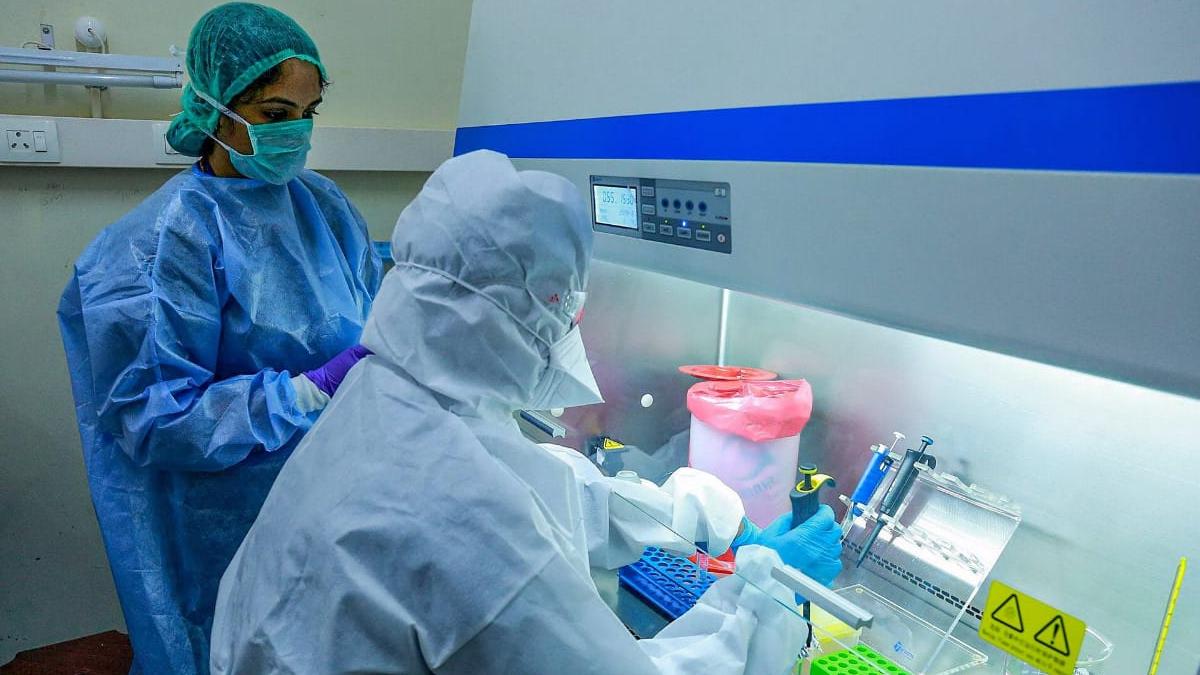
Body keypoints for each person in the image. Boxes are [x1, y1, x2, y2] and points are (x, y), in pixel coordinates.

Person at [210, 150, 842, 674]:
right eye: (565, 313)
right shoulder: (477, 530)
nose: (571, 332)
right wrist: (769, 601)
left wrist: (706, 517)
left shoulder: (384, 396)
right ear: (516, 322)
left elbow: (540, 484)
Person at [56, 4, 380, 673]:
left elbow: (375, 300)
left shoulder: (323, 207)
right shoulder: (157, 245)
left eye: (308, 113)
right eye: (275, 113)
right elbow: (155, 417)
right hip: (224, 526)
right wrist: (308, 390)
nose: (296, 133)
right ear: (215, 110)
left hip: (331, 504)